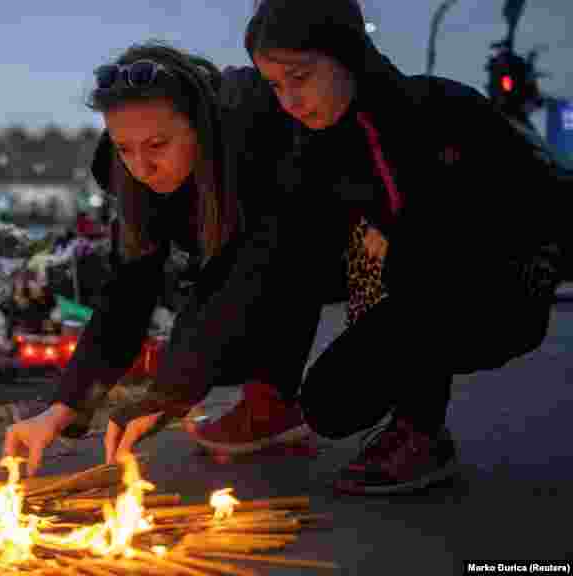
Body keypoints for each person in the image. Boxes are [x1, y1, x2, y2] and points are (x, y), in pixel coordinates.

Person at [209, 0, 563, 494]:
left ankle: (421, 434)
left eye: (300, 77)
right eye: (275, 85)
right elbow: (292, 254)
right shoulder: (320, 137)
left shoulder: (425, 116)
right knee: (329, 402)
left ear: (348, 54)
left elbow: (463, 247)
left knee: (410, 274)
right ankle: (278, 400)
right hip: (420, 276)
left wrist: (387, 268)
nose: (288, 100)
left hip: (503, 286)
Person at [4, 41, 324, 476]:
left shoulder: (254, 138)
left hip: (353, 235)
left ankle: (409, 424)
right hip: (266, 259)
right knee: (211, 339)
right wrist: (63, 408)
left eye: (157, 144)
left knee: (338, 397)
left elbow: (246, 275)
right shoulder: (134, 174)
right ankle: (271, 408)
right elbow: (127, 296)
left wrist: (168, 395)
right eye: (124, 148)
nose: (141, 167)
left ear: (200, 126)